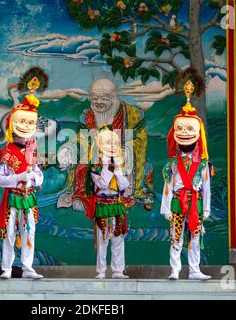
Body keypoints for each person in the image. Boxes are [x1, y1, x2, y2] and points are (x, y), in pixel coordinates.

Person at [57, 78, 153, 212]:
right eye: (95, 98)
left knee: (119, 167)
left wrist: (124, 151)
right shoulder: (89, 115)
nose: (98, 102)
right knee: (83, 166)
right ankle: (83, 197)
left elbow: (140, 140)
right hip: (95, 154)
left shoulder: (132, 115)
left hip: (120, 153)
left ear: (113, 97)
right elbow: (82, 138)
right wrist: (69, 149)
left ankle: (121, 196)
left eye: (103, 98)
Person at [0, 69, 48, 279]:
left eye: (29, 124)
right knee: (9, 233)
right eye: (21, 123)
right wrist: (18, 177)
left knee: (29, 231)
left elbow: (40, 177)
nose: (25, 129)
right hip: (13, 197)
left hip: (29, 197)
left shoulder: (33, 151)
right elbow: (0, 178)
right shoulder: (6, 152)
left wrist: (33, 175)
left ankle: (27, 267)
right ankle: (6, 268)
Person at [160, 81, 212, 280]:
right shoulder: (172, 164)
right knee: (176, 236)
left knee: (195, 237)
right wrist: (165, 208)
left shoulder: (203, 163)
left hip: (195, 201)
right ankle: (175, 269)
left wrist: (206, 208)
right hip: (176, 201)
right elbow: (167, 187)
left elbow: (206, 187)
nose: (184, 133)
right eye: (180, 130)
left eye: (190, 130)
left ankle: (194, 270)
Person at [86, 125, 132, 279]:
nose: (112, 146)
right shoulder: (96, 166)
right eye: (107, 143)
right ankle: (101, 271)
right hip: (103, 205)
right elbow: (102, 184)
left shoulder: (122, 164)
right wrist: (107, 166)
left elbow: (125, 185)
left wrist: (117, 170)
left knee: (118, 239)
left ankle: (118, 271)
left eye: (114, 143)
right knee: (102, 240)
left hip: (116, 205)